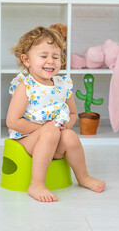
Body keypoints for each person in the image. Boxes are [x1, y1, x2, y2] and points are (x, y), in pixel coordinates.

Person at [6, 26, 106, 202]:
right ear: (26, 60)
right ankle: (36, 183)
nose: (50, 61)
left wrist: (64, 126)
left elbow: (73, 113)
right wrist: (44, 129)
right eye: (43, 56)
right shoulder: (25, 86)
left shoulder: (63, 84)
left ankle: (83, 177)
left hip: (53, 139)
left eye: (56, 57)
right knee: (51, 131)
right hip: (27, 140)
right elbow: (13, 121)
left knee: (71, 136)